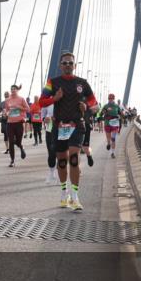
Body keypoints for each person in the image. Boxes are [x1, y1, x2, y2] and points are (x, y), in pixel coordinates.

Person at [38, 52, 98, 212]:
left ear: (75, 65)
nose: (67, 65)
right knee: (62, 162)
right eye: (64, 63)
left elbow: (94, 103)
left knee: (74, 159)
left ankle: (75, 196)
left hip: (77, 125)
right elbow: (41, 102)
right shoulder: (52, 82)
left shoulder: (82, 83)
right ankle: (64, 193)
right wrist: (54, 99)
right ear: (60, 65)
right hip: (59, 126)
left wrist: (86, 107)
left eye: (70, 63)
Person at [2, 84, 31, 166]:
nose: (13, 90)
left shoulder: (21, 99)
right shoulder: (7, 100)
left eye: (14, 89)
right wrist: (6, 113)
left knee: (18, 141)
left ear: (17, 90)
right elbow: (7, 110)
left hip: (19, 122)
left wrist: (20, 108)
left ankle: (21, 147)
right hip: (10, 123)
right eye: (12, 89)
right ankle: (12, 160)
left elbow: (28, 109)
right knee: (11, 142)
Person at [99, 94, 125, 158]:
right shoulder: (106, 106)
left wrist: (122, 116)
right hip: (107, 123)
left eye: (111, 98)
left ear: (114, 99)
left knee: (113, 138)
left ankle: (112, 153)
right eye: (109, 98)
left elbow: (121, 114)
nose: (110, 100)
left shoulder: (116, 106)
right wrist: (106, 110)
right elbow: (100, 114)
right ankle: (108, 143)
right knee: (108, 138)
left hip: (115, 124)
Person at [41, 102, 59, 185]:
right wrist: (44, 119)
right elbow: (43, 114)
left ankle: (60, 175)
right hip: (50, 129)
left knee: (61, 153)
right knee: (51, 152)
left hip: (62, 129)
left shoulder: (65, 98)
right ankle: (51, 172)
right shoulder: (47, 101)